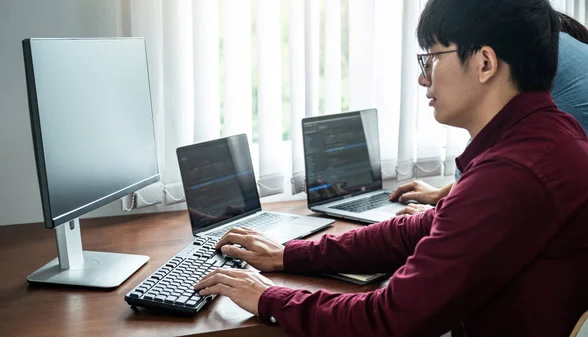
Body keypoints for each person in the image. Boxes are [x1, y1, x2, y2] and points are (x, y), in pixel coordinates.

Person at [194, 0, 588, 336]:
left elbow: (389, 320)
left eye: (432, 58)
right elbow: (420, 229)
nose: (422, 78)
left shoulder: (511, 175)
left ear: (485, 62)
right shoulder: (551, 135)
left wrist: (267, 297)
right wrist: (290, 255)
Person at [390, 10, 588, 216]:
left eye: (436, 57)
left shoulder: (532, 65)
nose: (423, 79)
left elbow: (492, 163)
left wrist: (442, 212)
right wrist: (445, 193)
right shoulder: (547, 43)